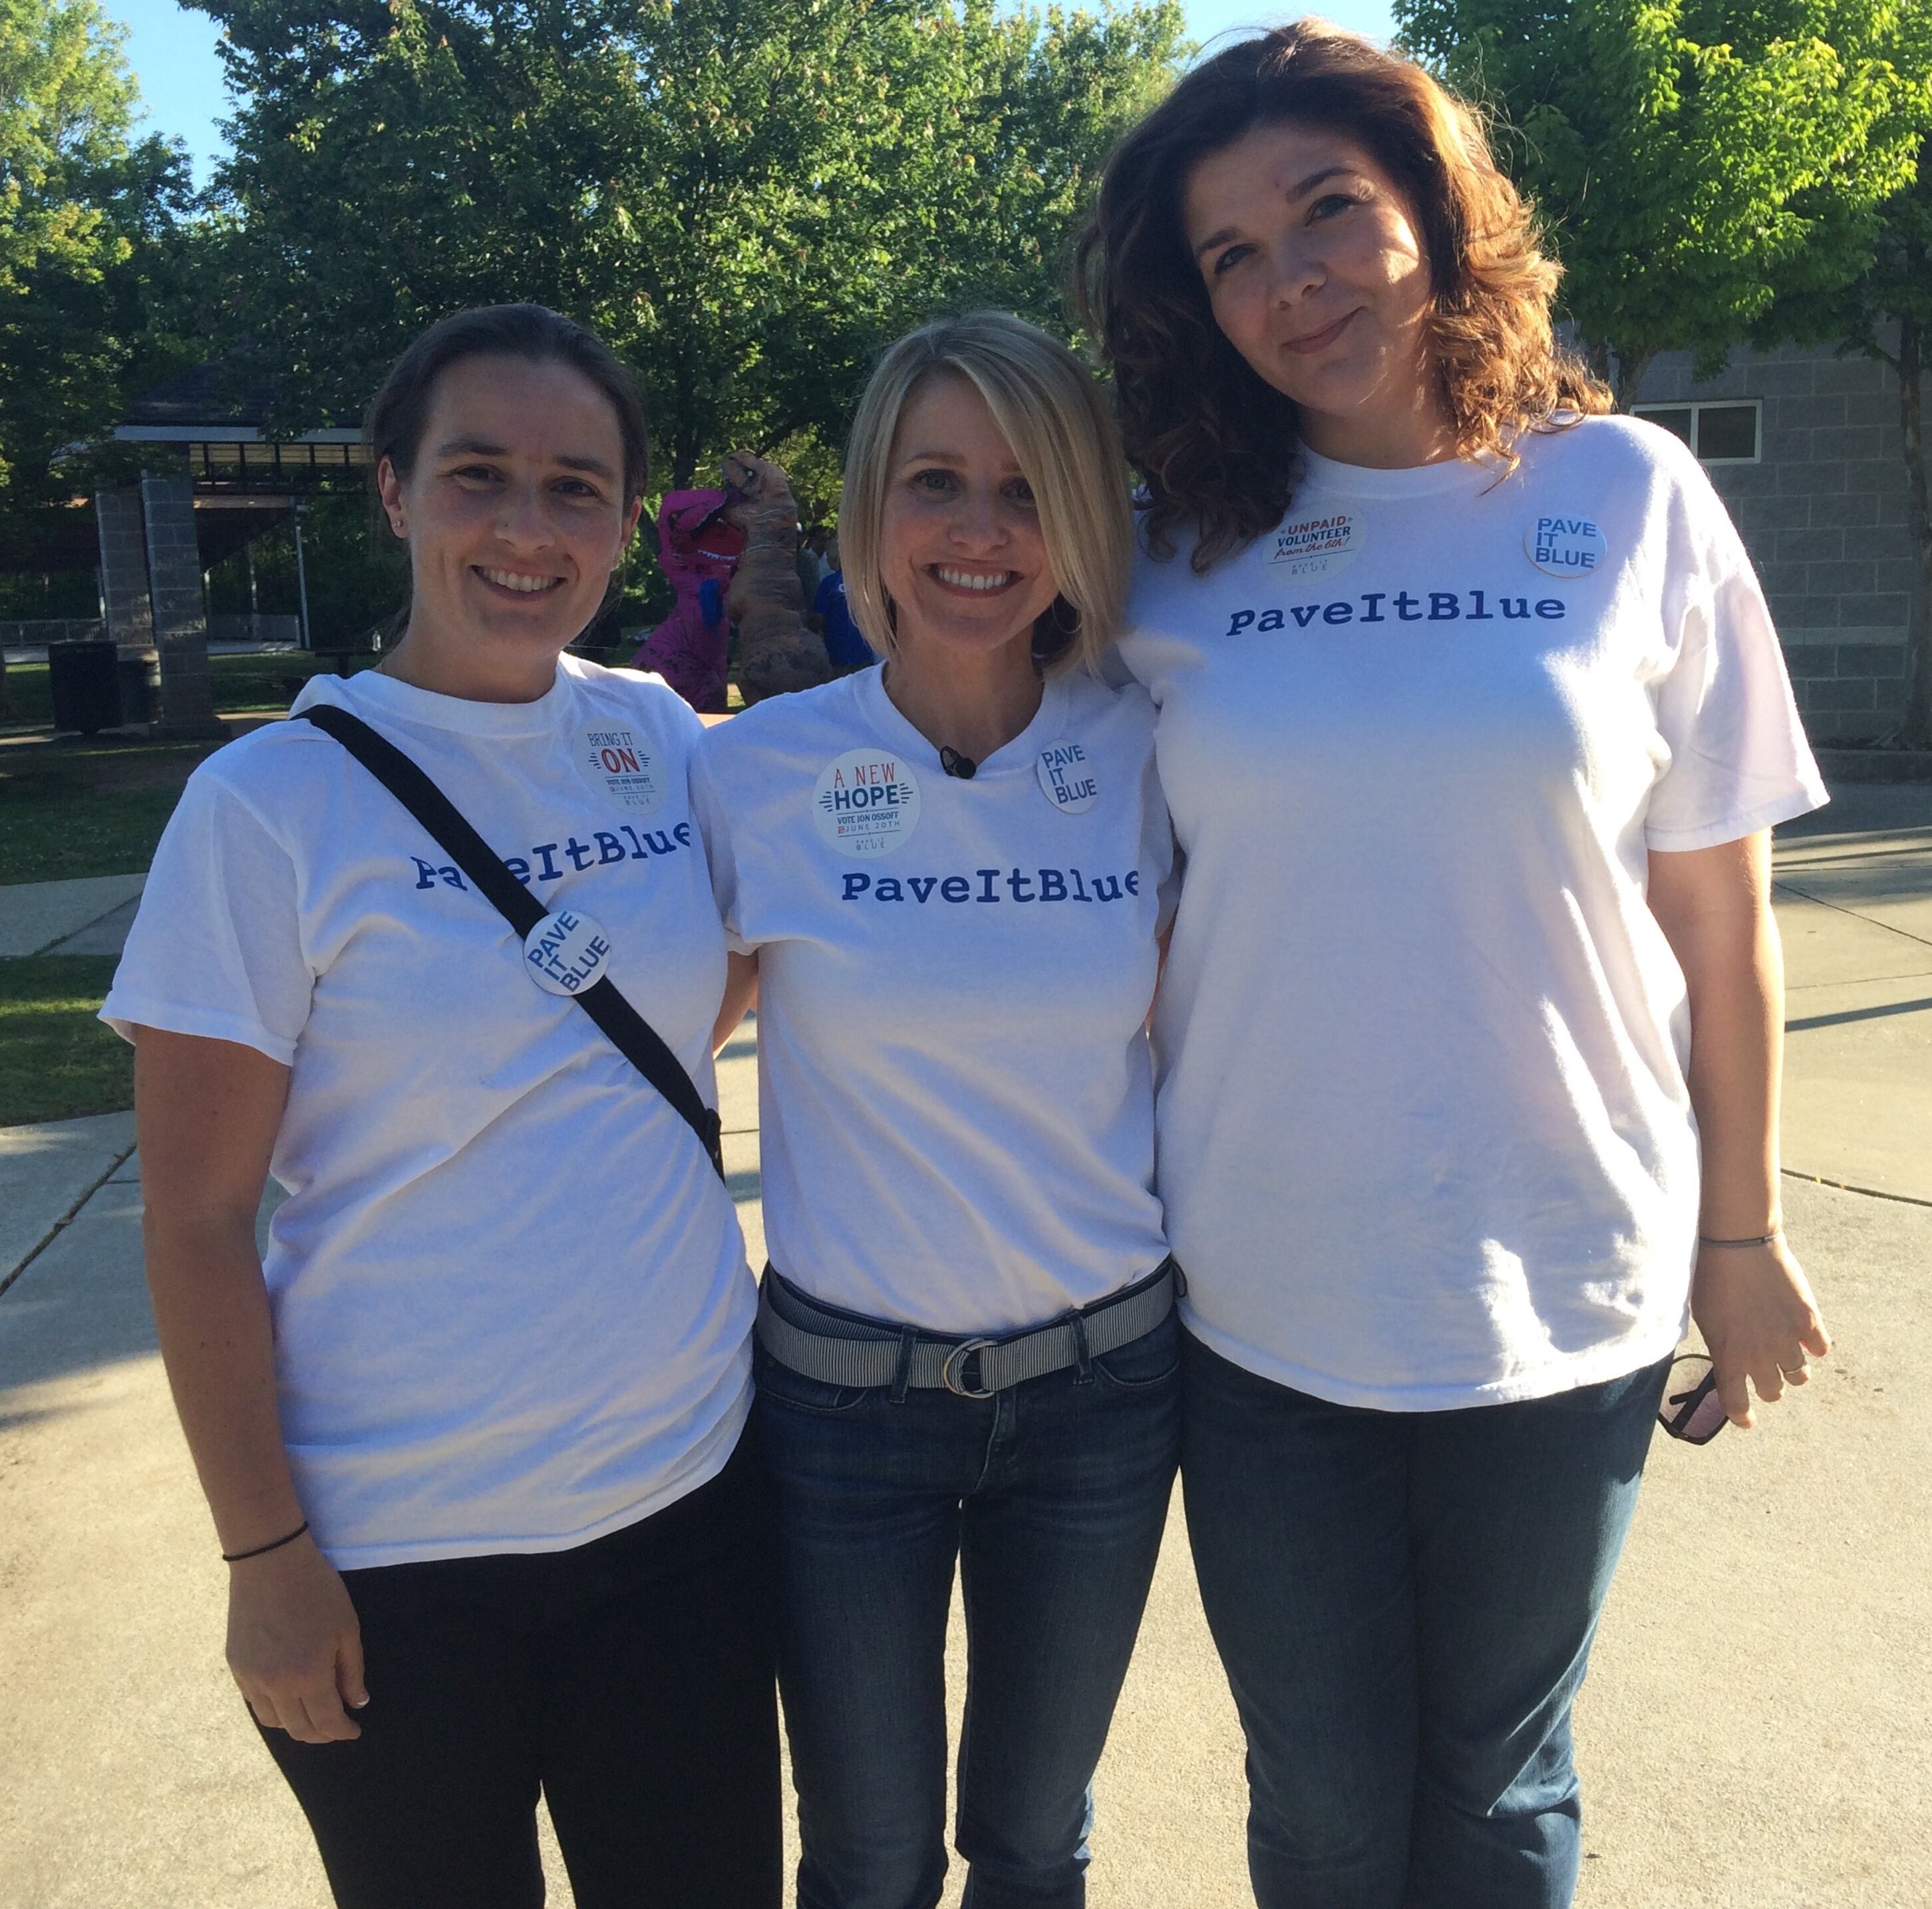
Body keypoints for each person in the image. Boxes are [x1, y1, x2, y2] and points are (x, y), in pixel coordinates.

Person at [1072, 26, 1833, 1908]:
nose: (1293, 278)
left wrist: (1738, 1231)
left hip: (1566, 1273)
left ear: (1438, 210)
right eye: (1232, 254)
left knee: (1500, 1788)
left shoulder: (1630, 494)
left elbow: (1721, 926)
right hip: (1260, 1289)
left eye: (1331, 209)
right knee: (1324, 1801)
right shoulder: (1168, 553)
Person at [102, 303, 778, 1909]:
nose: (527, 529)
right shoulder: (268, 805)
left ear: (626, 519)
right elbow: (195, 1219)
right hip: (397, 1560)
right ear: (395, 491)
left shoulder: (659, 738)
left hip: (683, 1509)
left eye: (576, 487)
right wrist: (264, 1559)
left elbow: (710, 996)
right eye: (480, 474)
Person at [689, 311, 1176, 1909]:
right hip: (843, 1414)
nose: (982, 533)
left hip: (1104, 1396)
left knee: (1036, 1844)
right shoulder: (755, 774)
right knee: (870, 1856)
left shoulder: (1153, 750)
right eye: (938, 484)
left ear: (1085, 522)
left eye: (1030, 490)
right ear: (869, 512)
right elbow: (643, 1057)